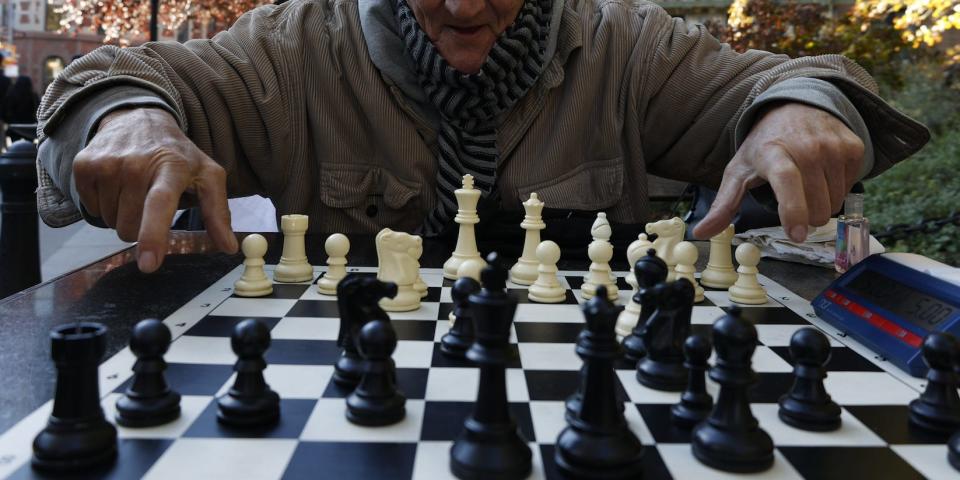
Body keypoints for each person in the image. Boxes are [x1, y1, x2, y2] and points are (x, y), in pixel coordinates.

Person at [35, 0, 929, 273]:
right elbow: (122, 81)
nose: (466, 7)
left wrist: (802, 109)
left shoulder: (630, 47)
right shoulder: (292, 50)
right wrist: (129, 117)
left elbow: (780, 82)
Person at [4, 76, 39, 142]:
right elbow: (37, 110)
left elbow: (7, 111)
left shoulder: (11, 95)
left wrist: (10, 121)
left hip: (14, 125)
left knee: (15, 146)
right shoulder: (33, 96)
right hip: (29, 126)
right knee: (28, 147)